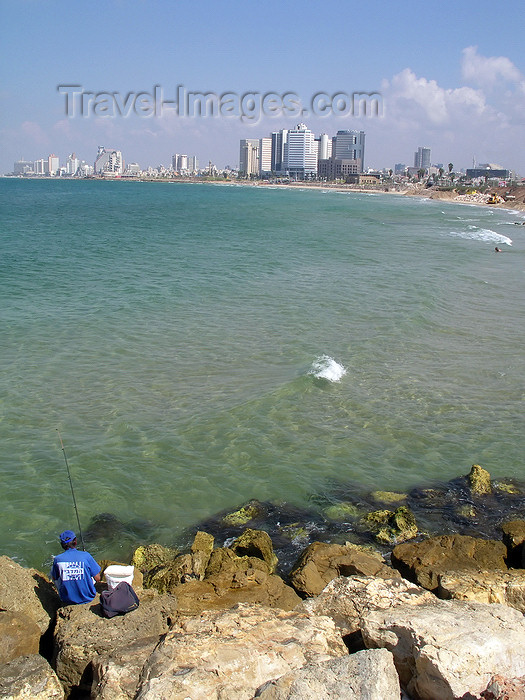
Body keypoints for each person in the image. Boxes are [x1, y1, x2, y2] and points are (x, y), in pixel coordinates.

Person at [50, 530, 101, 605]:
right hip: (88, 597)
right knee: (89, 571)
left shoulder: (58, 559)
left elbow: (55, 578)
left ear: (62, 545)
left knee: (53, 571)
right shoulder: (86, 555)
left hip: (67, 599)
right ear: (75, 541)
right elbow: (97, 578)